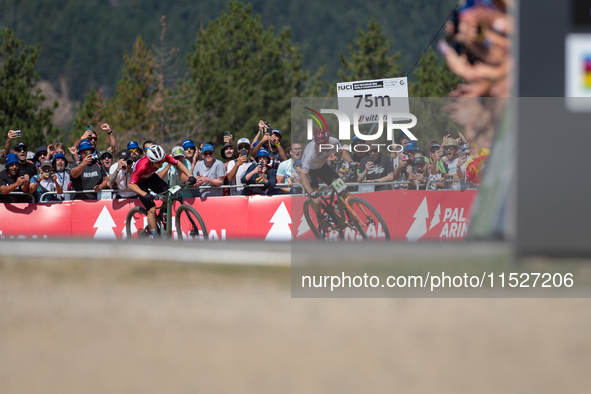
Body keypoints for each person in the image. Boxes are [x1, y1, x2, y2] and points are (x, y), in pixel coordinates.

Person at [127, 145, 195, 238]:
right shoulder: (142, 166)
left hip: (151, 177)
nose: (161, 163)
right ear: (151, 161)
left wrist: (190, 175)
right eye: (158, 162)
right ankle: (156, 237)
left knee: (170, 194)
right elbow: (131, 185)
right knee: (152, 210)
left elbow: (177, 163)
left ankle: (164, 216)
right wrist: (145, 194)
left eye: (162, 160)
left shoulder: (162, 158)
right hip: (139, 184)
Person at [299, 127, 354, 225]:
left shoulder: (334, 142)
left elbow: (341, 152)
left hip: (323, 168)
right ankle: (320, 217)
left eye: (324, 144)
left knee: (343, 189)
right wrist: (311, 193)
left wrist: (350, 162)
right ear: (315, 142)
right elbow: (303, 175)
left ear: (328, 140)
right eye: (319, 144)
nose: (322, 147)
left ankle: (349, 215)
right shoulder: (311, 152)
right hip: (310, 172)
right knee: (316, 200)